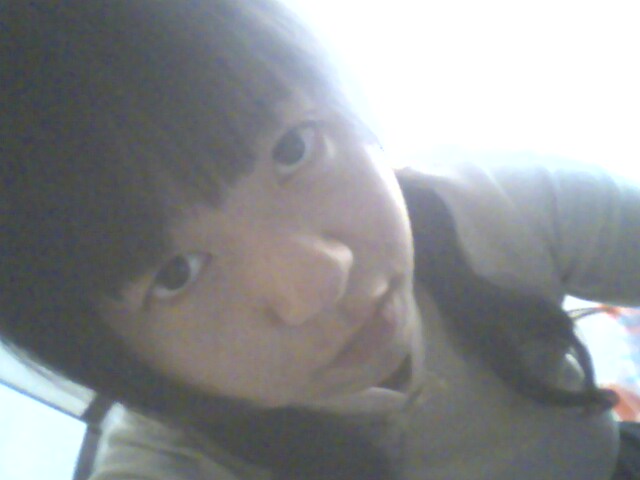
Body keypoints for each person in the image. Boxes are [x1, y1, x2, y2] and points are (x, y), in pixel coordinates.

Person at [2, 1, 640, 479]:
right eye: (177, 274)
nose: (316, 282)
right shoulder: (174, 463)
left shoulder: (494, 204)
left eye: (294, 149)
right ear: (109, 352)